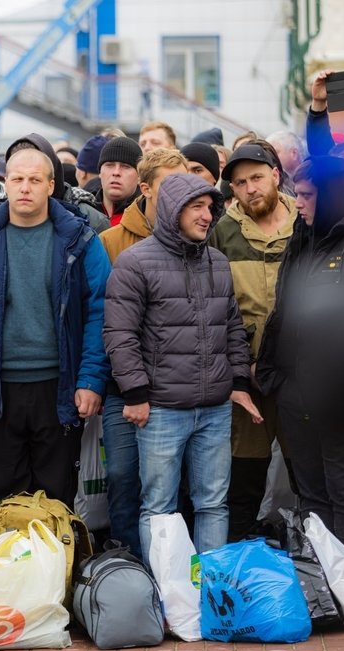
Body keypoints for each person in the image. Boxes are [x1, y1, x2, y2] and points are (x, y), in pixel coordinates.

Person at [104, 173, 261, 556]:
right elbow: (119, 334)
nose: (207, 216)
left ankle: (208, 594)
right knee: (159, 508)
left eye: (210, 207)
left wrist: (238, 383)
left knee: (212, 505)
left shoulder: (218, 263)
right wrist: (136, 394)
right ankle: (167, 596)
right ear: (174, 210)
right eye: (197, 207)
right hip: (161, 409)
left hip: (214, 409)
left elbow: (233, 329)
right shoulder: (135, 262)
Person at [0, 148, 111, 504]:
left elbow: (99, 314)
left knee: (56, 497)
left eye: (35, 180)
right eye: (17, 179)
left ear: (51, 185)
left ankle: (56, 560)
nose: (25, 187)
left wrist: (89, 380)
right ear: (4, 183)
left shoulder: (80, 241)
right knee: (4, 494)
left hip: (60, 386)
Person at [257, 156, 344, 568]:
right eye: (298, 195)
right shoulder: (303, 237)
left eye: (309, 196)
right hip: (295, 389)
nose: (299, 204)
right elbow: (285, 312)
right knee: (310, 491)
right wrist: (277, 378)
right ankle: (327, 586)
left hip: (341, 392)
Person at [97, 148, 188, 559]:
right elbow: (102, 318)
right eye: (170, 185)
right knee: (122, 475)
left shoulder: (200, 236)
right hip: (123, 387)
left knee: (172, 482)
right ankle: (127, 564)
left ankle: (173, 568)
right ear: (146, 188)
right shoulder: (110, 242)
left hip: (178, 386)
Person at [211, 143, 297, 541]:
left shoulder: (306, 223)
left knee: (310, 478)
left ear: (276, 175)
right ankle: (243, 569)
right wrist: (237, 365)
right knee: (244, 479)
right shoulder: (222, 233)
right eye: (240, 182)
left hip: (302, 375)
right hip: (244, 379)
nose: (250, 189)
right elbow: (213, 308)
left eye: (257, 178)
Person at [95, 137, 142, 227]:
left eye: (126, 166)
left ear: (139, 176)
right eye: (109, 165)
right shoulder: (82, 213)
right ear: (100, 172)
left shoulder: (149, 219)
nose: (116, 172)